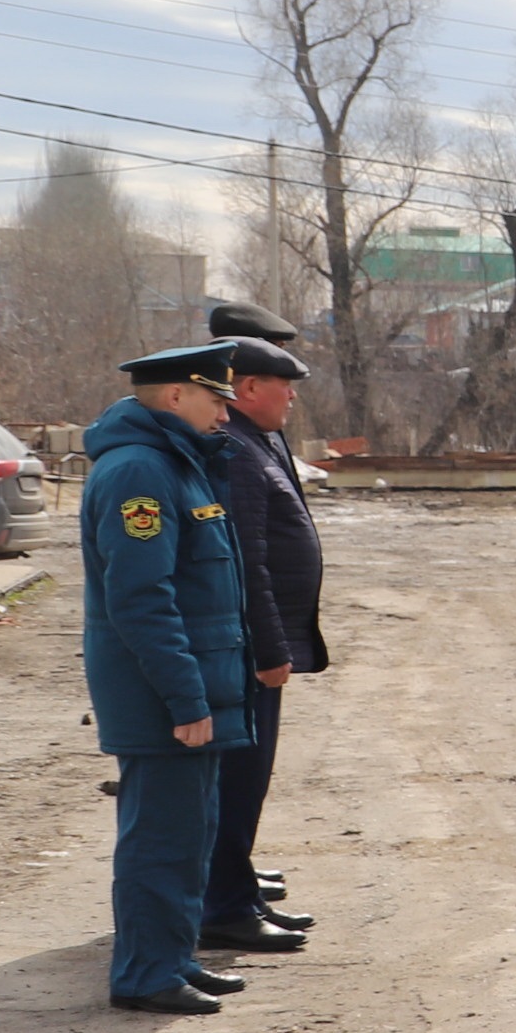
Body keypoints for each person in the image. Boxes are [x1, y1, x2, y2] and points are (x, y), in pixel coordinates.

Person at [79, 343, 260, 1016]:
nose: (225, 417)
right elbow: (141, 598)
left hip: (189, 690)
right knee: (160, 838)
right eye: (217, 401)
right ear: (177, 396)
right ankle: (145, 973)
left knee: (190, 833)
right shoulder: (139, 474)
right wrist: (185, 697)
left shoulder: (175, 463)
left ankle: (172, 956)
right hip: (162, 696)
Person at [203, 334, 326, 960]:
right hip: (251, 650)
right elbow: (248, 562)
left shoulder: (254, 442)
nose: (293, 400)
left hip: (259, 647)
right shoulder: (240, 452)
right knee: (238, 779)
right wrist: (272, 647)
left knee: (248, 780)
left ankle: (237, 894)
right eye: (286, 386)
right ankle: (224, 906)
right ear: (249, 389)